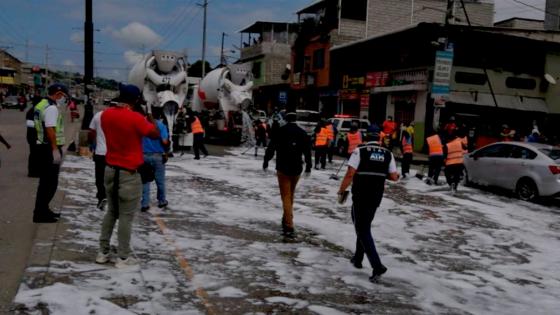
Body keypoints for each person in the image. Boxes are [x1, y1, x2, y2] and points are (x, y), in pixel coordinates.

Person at [96, 84, 160, 268]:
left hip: (110, 169)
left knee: (111, 212)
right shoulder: (136, 118)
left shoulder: (106, 115)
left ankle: (103, 251)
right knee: (125, 216)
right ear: (136, 100)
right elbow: (155, 134)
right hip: (129, 173)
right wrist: (150, 117)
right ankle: (123, 257)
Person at [337, 132, 399, 282]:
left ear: (365, 140)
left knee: (362, 229)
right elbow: (394, 177)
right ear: (378, 140)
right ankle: (358, 258)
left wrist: (341, 190)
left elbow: (350, 173)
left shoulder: (359, 151)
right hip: (375, 197)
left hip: (360, 195)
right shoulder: (388, 154)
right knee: (363, 226)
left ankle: (377, 265)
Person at [263, 112, 312, 236]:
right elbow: (307, 151)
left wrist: (266, 161)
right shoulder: (302, 132)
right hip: (297, 168)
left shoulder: (280, 131)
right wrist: (308, 167)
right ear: (296, 119)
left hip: (283, 168)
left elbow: (271, 147)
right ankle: (286, 218)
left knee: (285, 196)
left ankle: (289, 225)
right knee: (290, 195)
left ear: (285, 119)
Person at [32, 83, 69, 223]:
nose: (64, 99)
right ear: (58, 94)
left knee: (45, 183)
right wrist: (55, 149)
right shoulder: (52, 108)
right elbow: (50, 129)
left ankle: (43, 210)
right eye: (64, 96)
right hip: (49, 149)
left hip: (42, 147)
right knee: (50, 183)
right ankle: (41, 213)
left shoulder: (41, 104)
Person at [141, 109, 169, 211]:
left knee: (145, 181)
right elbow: (165, 141)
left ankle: (144, 203)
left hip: (143, 156)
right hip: (158, 156)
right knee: (160, 181)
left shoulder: (142, 124)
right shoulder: (161, 126)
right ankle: (161, 201)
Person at [89, 104, 109, 210]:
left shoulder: (98, 115)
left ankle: (102, 196)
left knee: (100, 177)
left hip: (100, 152)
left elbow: (92, 131)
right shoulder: (121, 117)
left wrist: (93, 143)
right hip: (114, 154)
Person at [26, 101, 40, 177]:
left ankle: (34, 171)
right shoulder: (32, 111)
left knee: (35, 154)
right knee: (34, 154)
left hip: (33, 137)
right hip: (33, 137)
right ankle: (32, 172)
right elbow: (30, 125)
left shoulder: (34, 110)